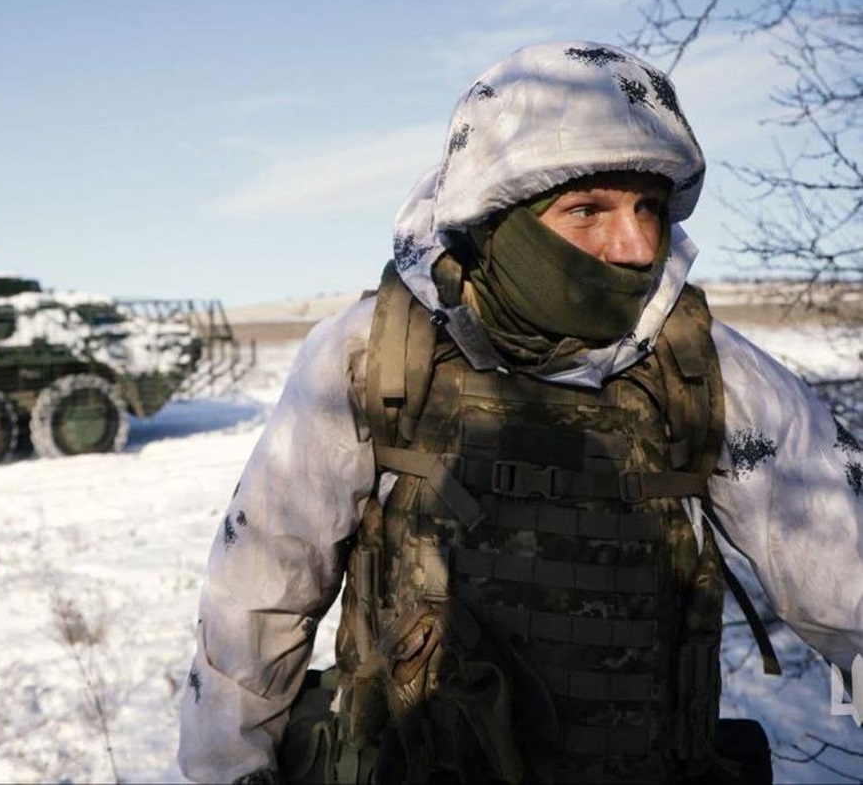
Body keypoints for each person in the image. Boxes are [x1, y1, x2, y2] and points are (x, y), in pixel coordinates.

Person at [177, 41, 863, 784]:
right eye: (588, 210)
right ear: (497, 217)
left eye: (650, 207)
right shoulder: (374, 355)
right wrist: (230, 767)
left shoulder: (706, 368)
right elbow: (260, 588)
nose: (636, 246)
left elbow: (845, 569)